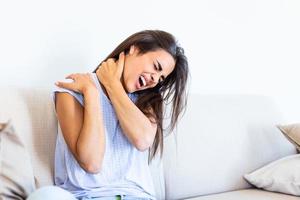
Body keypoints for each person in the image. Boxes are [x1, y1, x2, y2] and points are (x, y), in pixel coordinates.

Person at [28, 30, 189, 200]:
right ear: (134, 49)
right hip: (87, 196)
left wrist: (112, 84)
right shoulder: (74, 89)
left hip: (137, 196)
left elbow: (142, 140)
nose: (154, 79)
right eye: (156, 67)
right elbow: (92, 162)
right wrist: (92, 93)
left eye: (161, 78)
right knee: (45, 196)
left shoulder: (149, 102)